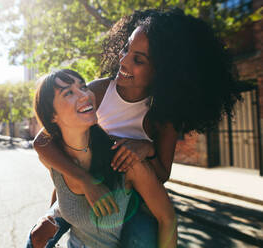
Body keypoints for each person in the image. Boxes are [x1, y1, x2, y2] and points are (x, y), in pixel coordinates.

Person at [29, 8, 241, 248]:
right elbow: (42, 142)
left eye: (138, 59)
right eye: (125, 49)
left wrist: (147, 148)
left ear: (163, 72)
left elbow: (162, 174)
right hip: (79, 191)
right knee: (37, 237)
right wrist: (86, 181)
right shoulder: (98, 91)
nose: (123, 60)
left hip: (131, 204)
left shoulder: (164, 117)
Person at [30, 69, 177, 248]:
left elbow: (167, 219)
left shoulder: (126, 162)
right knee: (34, 238)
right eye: (68, 92)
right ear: (52, 116)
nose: (84, 95)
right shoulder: (54, 159)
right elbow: (62, 198)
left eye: (83, 87)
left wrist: (148, 149)